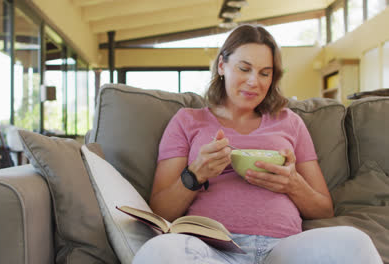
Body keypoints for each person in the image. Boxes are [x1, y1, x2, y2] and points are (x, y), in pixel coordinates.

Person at [132, 24, 382, 264]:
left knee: (355, 241)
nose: (255, 81)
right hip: (210, 248)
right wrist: (195, 174)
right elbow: (160, 210)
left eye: (265, 73)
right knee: (158, 250)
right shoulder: (187, 120)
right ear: (222, 65)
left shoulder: (290, 122)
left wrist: (293, 184)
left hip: (283, 249)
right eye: (244, 68)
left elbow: (324, 210)